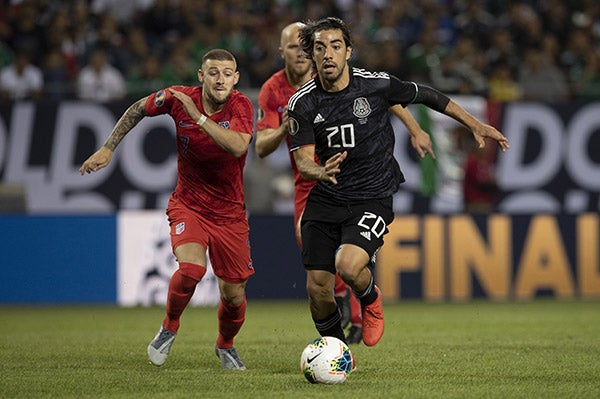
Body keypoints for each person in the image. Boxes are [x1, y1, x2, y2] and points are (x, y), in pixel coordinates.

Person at [288, 17, 509, 347]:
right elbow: (304, 160)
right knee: (317, 287)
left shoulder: (374, 84)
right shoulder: (302, 103)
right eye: (320, 48)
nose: (328, 54)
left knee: (348, 266)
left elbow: (428, 95)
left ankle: (370, 297)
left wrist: (475, 123)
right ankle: (337, 351)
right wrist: (319, 171)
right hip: (328, 195)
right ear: (313, 55)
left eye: (336, 46)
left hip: (373, 194)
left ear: (349, 51)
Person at [256, 22, 436, 345]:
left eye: (303, 47)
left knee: (347, 260)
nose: (300, 53)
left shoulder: (332, 73)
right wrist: (287, 128)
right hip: (309, 177)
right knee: (316, 264)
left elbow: (385, 96)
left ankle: (357, 308)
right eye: (293, 48)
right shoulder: (276, 90)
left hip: (353, 178)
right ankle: (339, 310)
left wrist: (414, 128)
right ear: (283, 52)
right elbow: (260, 148)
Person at [79, 49, 254, 370]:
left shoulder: (241, 105)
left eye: (227, 73)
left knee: (233, 295)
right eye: (213, 72)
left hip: (230, 214)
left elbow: (238, 146)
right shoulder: (177, 98)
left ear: (236, 78)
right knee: (191, 270)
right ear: (201, 76)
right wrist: (108, 147)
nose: (220, 79)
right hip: (189, 205)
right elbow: (136, 109)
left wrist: (199, 118)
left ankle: (225, 345)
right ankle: (169, 327)